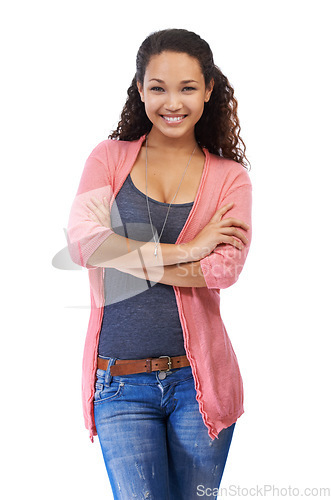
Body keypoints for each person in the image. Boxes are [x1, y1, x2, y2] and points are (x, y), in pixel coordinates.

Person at [67, 28, 252, 500]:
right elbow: (84, 244)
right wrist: (189, 251)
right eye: (158, 88)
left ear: (209, 90)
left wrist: (125, 255)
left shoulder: (230, 179)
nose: (173, 102)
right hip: (119, 384)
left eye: (188, 87)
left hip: (199, 382)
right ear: (140, 89)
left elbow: (224, 270)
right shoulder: (108, 159)